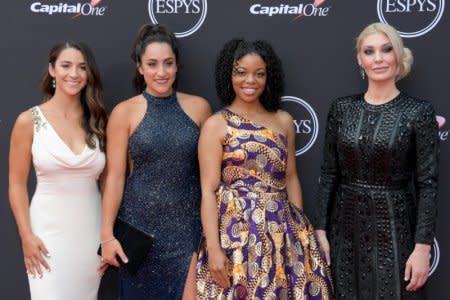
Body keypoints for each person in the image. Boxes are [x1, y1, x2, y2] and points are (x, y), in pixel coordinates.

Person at [196, 38, 333, 299]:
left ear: (269, 77)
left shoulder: (284, 121)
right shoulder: (216, 124)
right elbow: (207, 190)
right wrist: (214, 248)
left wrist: (299, 238)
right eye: (241, 73)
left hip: (282, 232)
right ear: (229, 75)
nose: (250, 81)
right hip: (234, 236)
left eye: (259, 74)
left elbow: (291, 178)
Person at [315, 22, 439, 299]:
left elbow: (427, 185)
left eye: (386, 49)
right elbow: (329, 174)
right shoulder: (342, 108)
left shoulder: (419, 112)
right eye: (369, 51)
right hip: (344, 230)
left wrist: (422, 248)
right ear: (360, 59)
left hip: (395, 228)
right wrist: (321, 230)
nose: (378, 58)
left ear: (398, 55)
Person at [100, 23, 211, 299]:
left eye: (168, 63)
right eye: (152, 64)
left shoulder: (200, 108)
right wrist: (107, 236)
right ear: (139, 67)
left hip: (188, 233)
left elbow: (211, 177)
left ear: (177, 65)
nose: (161, 72)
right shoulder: (124, 112)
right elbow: (114, 177)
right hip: (138, 235)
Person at [8, 41, 108, 300]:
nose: (73, 74)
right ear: (52, 70)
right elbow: (17, 184)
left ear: (89, 74)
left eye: (81, 67)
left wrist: (108, 236)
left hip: (90, 236)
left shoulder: (98, 122)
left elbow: (109, 186)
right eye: (66, 65)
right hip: (46, 237)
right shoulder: (29, 121)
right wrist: (26, 236)